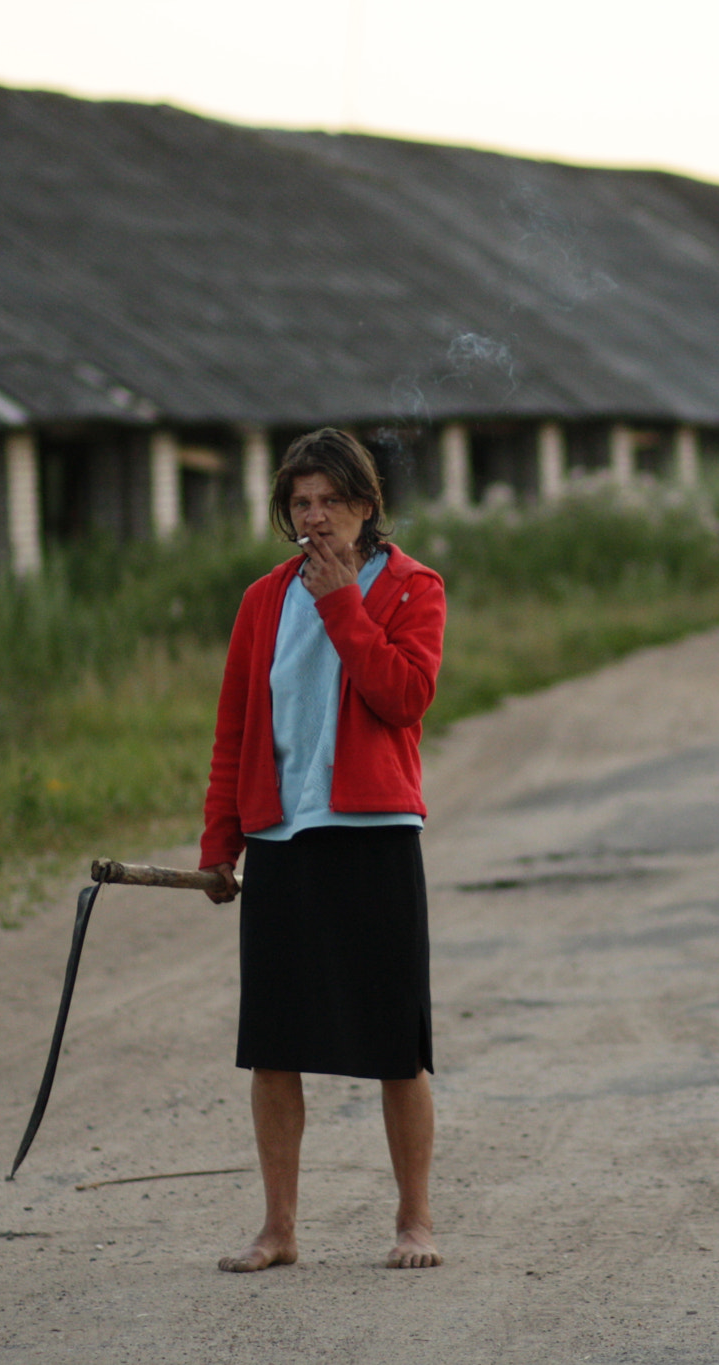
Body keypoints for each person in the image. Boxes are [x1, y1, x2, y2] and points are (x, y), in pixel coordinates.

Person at [198, 427, 447, 1272]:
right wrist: (218, 843)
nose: (315, 518)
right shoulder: (262, 600)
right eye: (300, 503)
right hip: (282, 837)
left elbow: (404, 697)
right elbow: (234, 727)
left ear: (366, 506)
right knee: (273, 1042)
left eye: (331, 501)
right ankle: (279, 1228)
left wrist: (345, 602)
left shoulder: (413, 587)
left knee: (396, 1042)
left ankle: (414, 1220)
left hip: (374, 834)